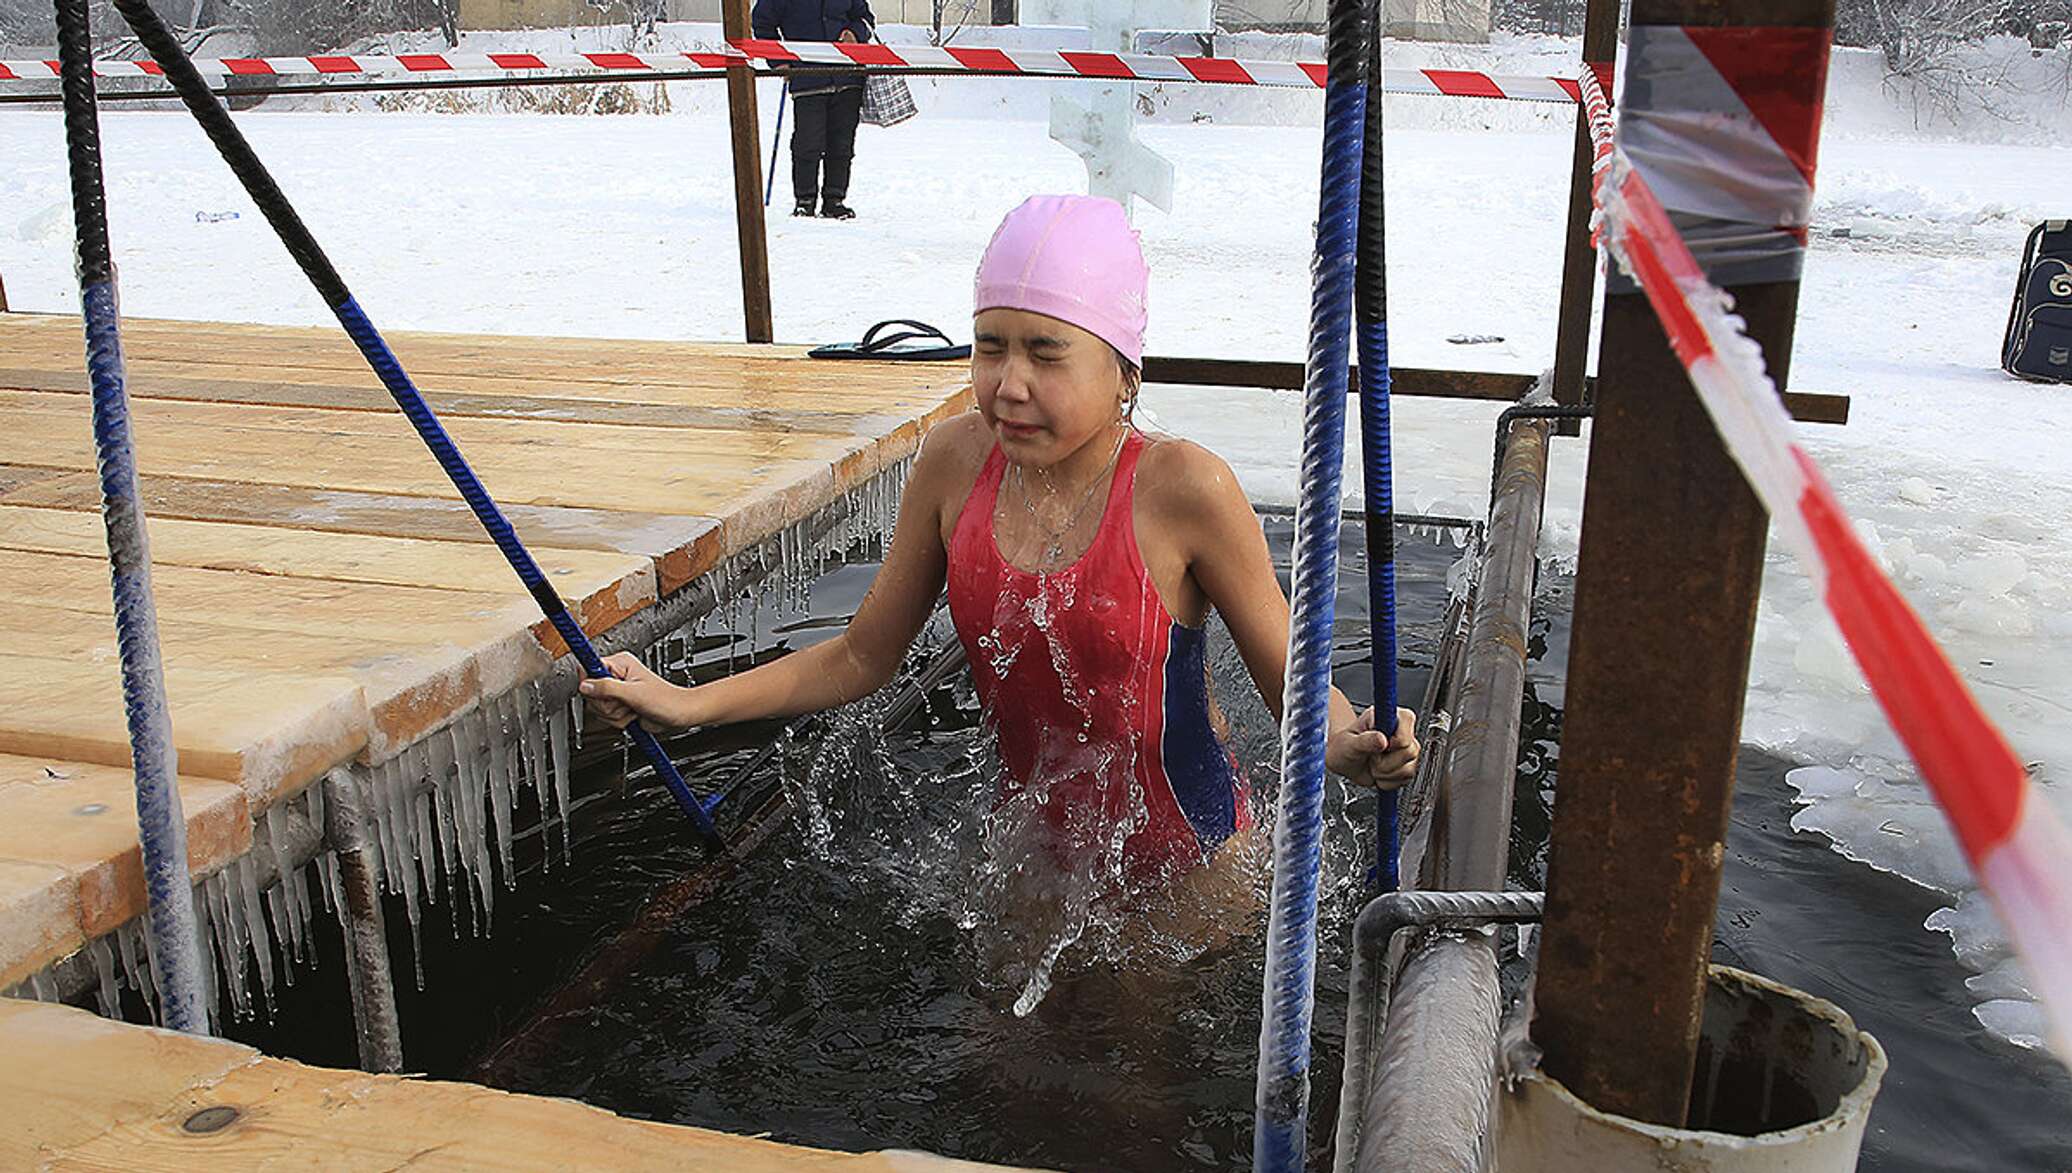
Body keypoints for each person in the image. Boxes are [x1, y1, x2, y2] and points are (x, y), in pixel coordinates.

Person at [583, 194, 1418, 894]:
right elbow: (860, 657)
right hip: (1032, 858)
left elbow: (1296, 685)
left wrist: (1346, 742)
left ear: (1124, 369)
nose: (1008, 384)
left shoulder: (1182, 489)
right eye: (990, 346)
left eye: (1046, 353)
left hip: (1187, 867)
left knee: (1129, 1086)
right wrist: (684, 702)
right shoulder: (953, 463)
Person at [751, 0, 875, 220]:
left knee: (842, 143)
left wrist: (854, 33)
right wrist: (778, 60)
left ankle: (835, 200)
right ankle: (805, 200)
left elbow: (865, 19)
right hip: (807, 78)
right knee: (807, 142)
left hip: (848, 76)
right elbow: (762, 24)